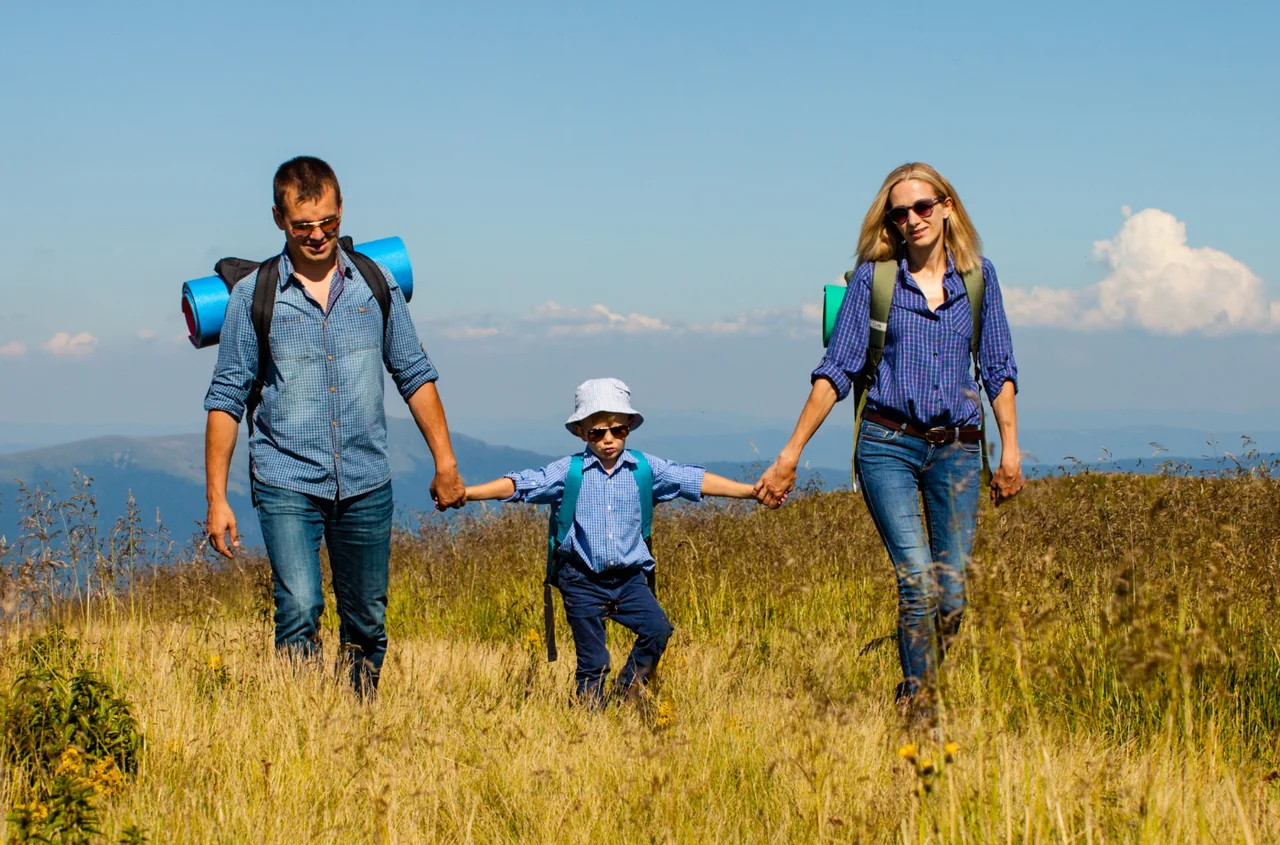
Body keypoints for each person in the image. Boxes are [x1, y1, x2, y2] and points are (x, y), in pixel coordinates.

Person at [755, 162, 1024, 725]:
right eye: (900, 213)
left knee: (952, 597)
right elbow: (837, 370)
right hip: (888, 444)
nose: (912, 220)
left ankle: (921, 683)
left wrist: (1010, 451)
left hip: (958, 448)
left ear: (946, 207)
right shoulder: (873, 282)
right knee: (919, 584)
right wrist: (790, 454)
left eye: (922, 207)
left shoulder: (979, 279)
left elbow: (998, 367)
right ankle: (918, 706)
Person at [203, 156, 465, 698]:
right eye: (303, 225)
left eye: (328, 221)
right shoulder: (253, 295)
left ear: (341, 209)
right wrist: (217, 498)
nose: (318, 235)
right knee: (299, 608)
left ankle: (355, 717)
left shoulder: (375, 283)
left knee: (367, 620)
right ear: (278, 218)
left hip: (366, 478)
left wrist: (446, 462)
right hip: (285, 478)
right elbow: (226, 399)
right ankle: (304, 720)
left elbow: (414, 372)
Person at [464, 378, 758, 707]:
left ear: (629, 426)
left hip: (630, 579)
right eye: (597, 433)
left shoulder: (644, 469)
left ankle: (627, 692)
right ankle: (590, 722)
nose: (608, 439)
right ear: (581, 432)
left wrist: (751, 492)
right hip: (581, 579)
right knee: (593, 661)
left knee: (658, 629)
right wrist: (467, 493)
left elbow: (692, 480)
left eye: (618, 430)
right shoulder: (569, 472)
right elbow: (522, 485)